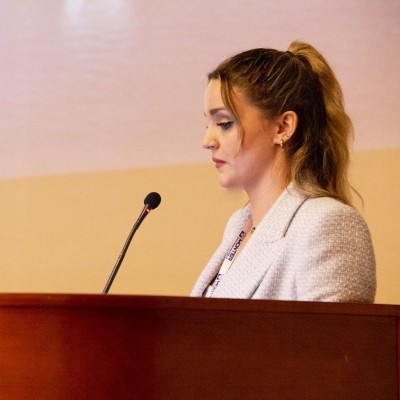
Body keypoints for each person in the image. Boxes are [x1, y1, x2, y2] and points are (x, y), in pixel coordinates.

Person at [191, 41, 376, 302]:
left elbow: (334, 332)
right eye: (208, 124)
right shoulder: (238, 225)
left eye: (224, 123)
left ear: (283, 127)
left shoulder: (327, 224)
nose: (207, 141)